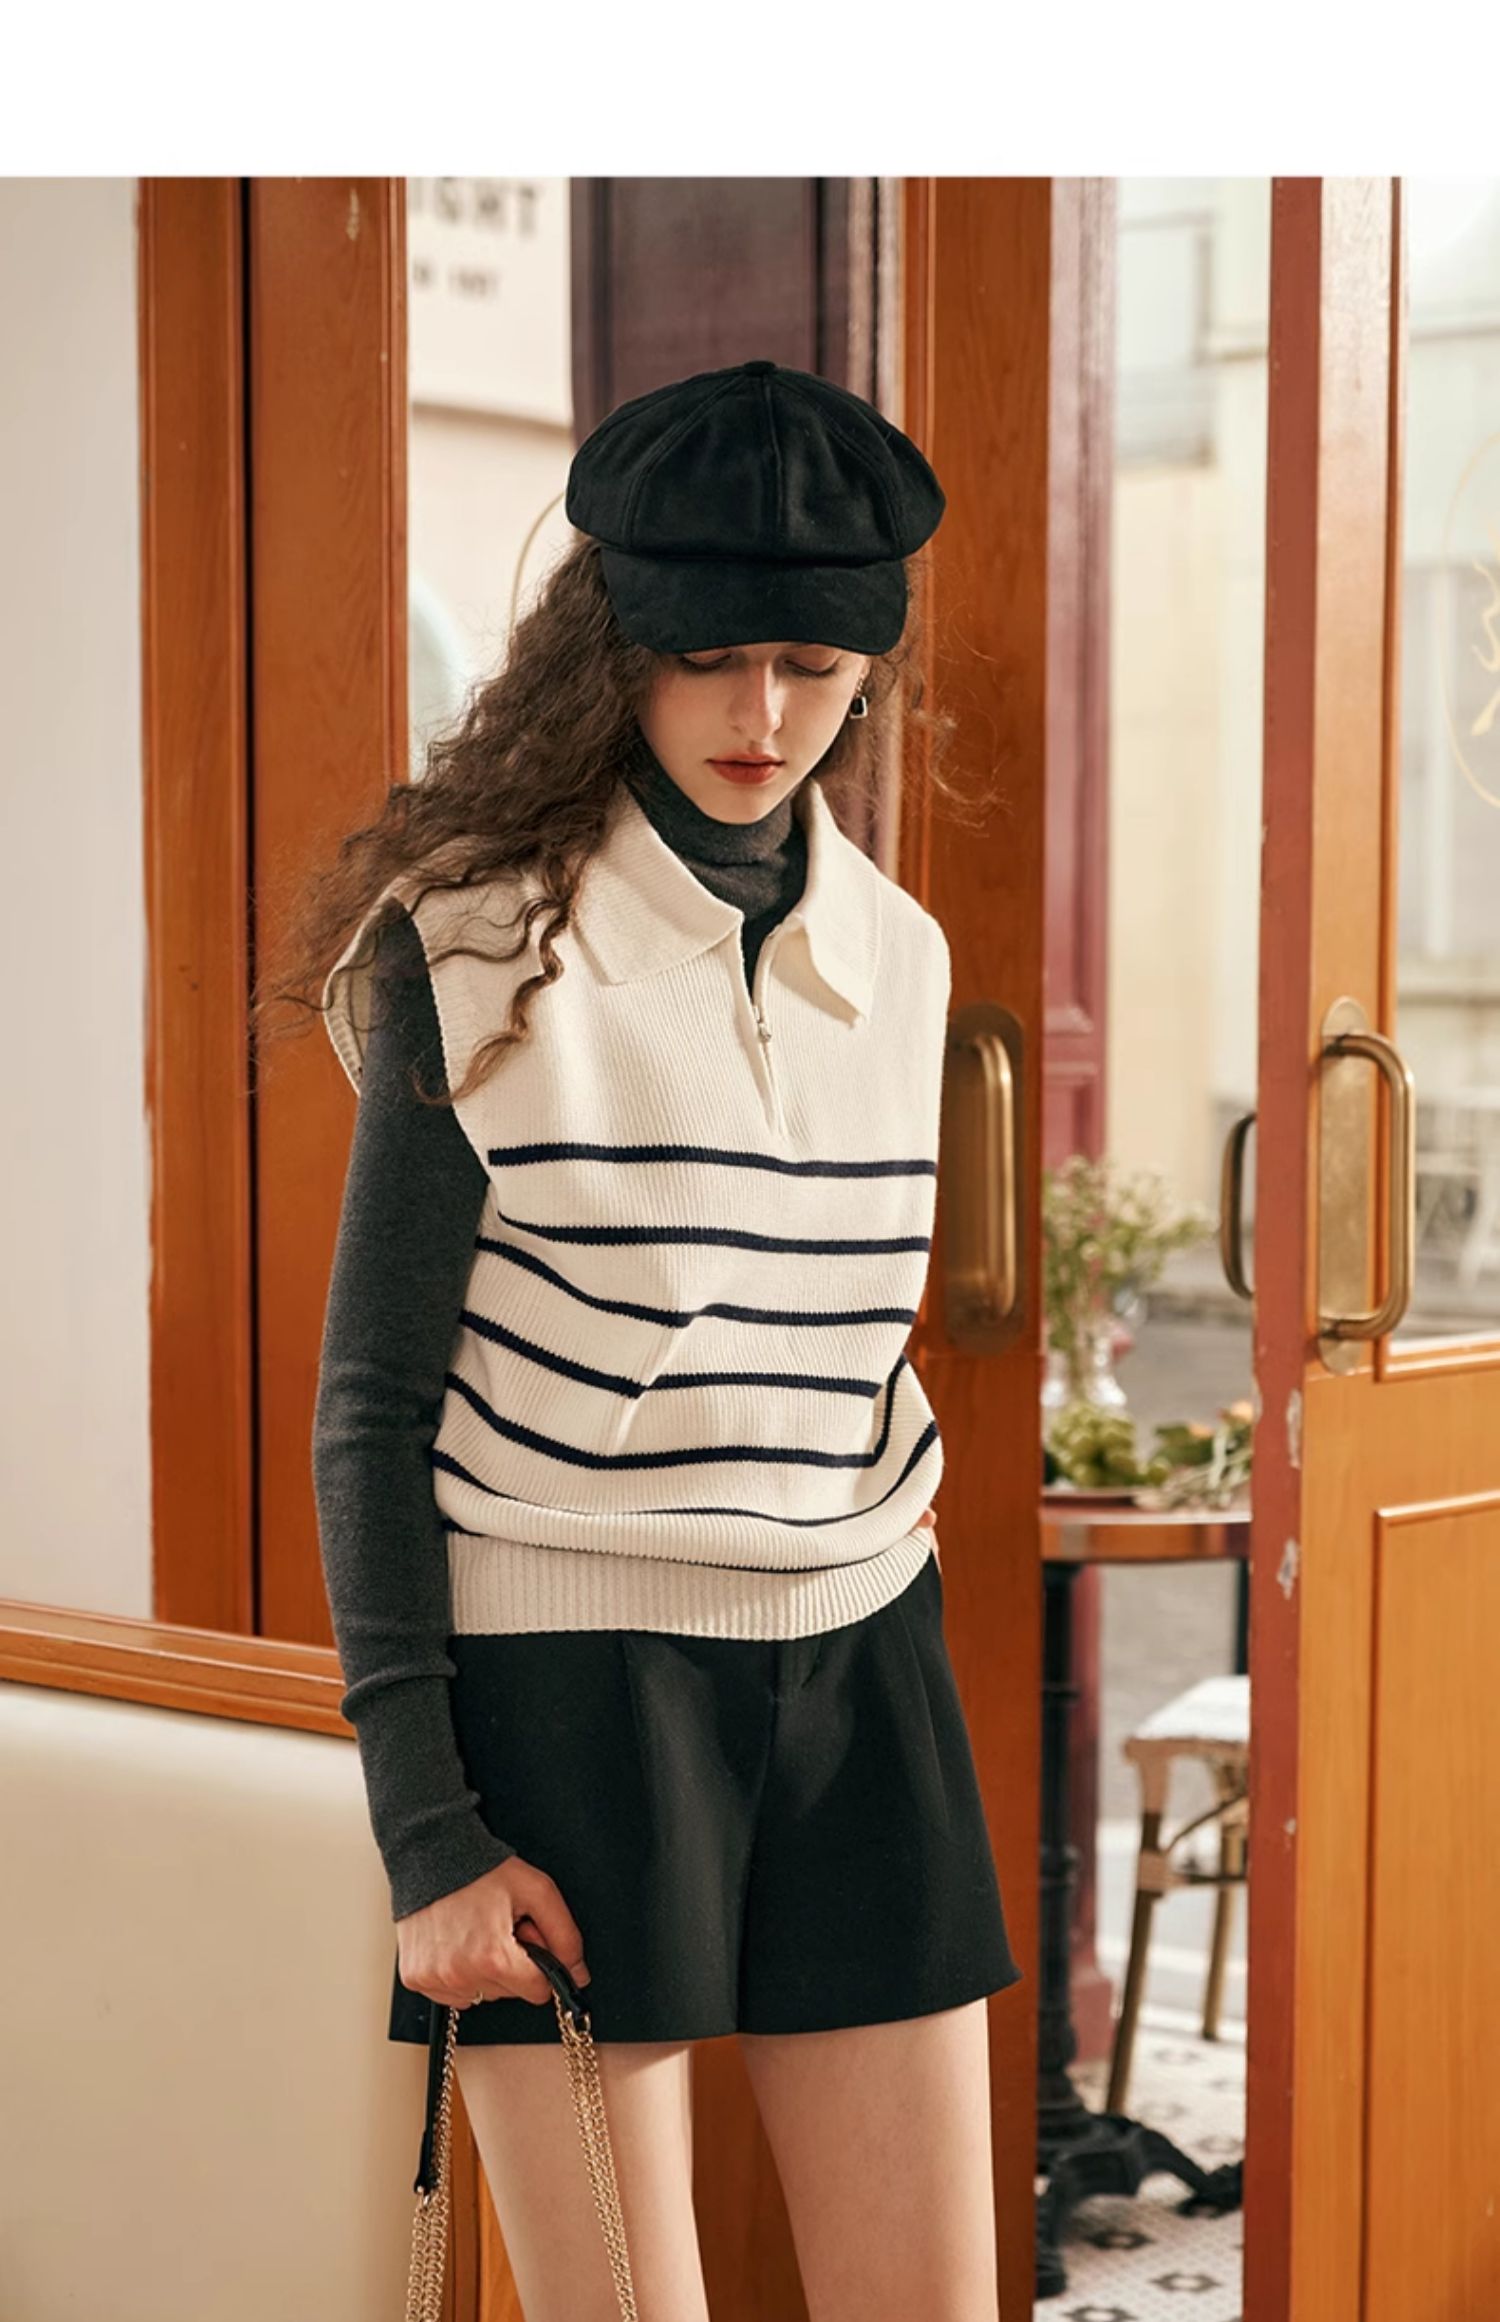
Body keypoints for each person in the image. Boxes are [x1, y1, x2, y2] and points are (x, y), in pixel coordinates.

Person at [307, 357, 1022, 2322]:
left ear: (870, 666)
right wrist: (429, 1835)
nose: (760, 716)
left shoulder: (900, 957)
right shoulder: (471, 949)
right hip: (570, 1691)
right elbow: (370, 1412)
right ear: (616, 644)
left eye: (812, 665)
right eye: (710, 659)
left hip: (861, 1668)